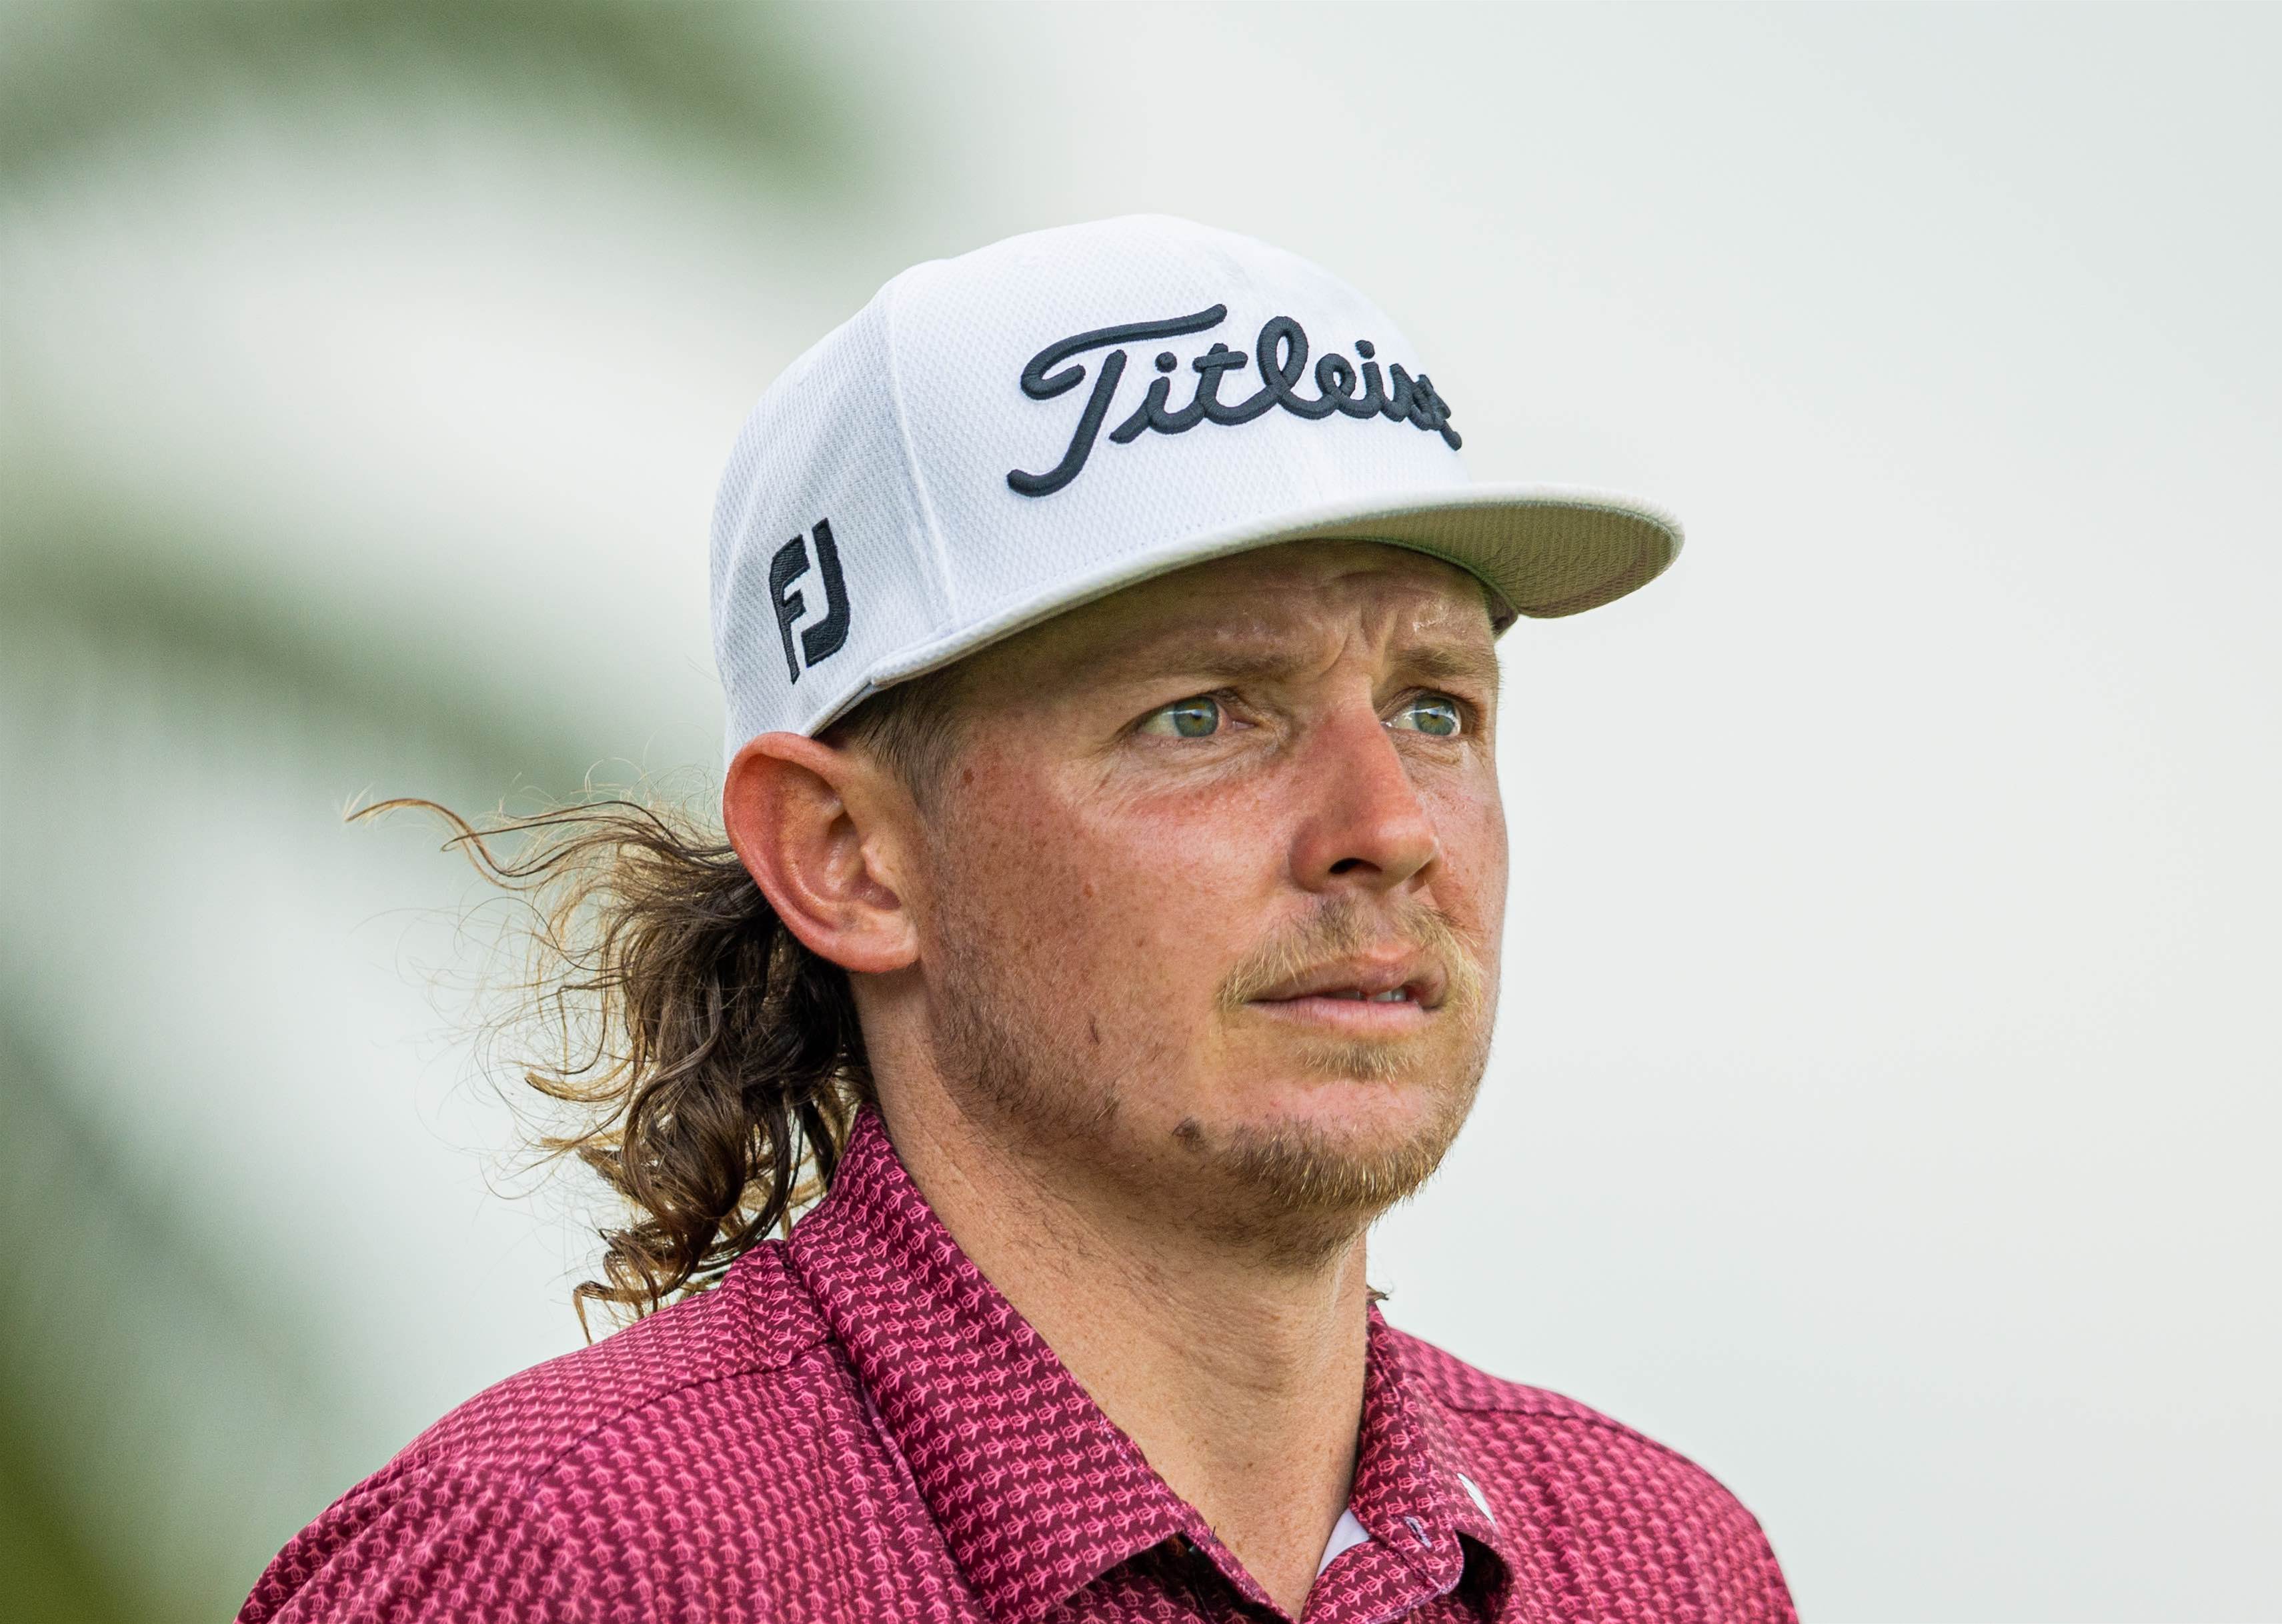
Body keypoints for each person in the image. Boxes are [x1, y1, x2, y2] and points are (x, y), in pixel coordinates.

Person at [240, 216, 1797, 1623]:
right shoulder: (558, 1570)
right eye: (1204, 712)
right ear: (849, 859)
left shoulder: (1666, 1569)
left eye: (1435, 707)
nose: (1387, 828)